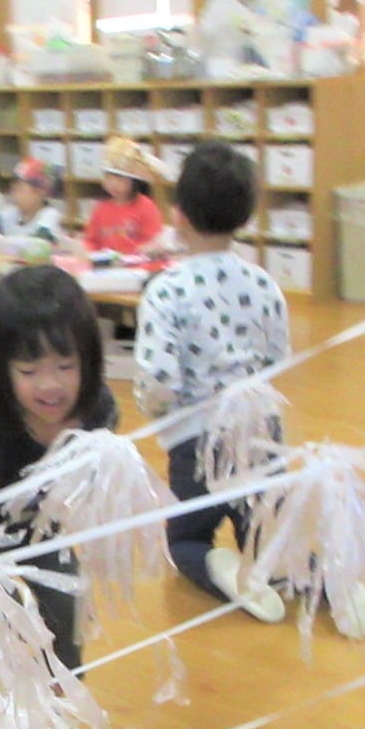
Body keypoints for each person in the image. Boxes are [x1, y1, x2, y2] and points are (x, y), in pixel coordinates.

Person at [134, 142, 312, 628]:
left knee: (186, 539)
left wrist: (158, 414)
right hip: (260, 432)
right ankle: (316, 574)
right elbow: (276, 358)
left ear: (179, 214)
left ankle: (220, 567)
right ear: (246, 215)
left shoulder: (166, 289)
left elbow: (158, 380)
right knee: (268, 530)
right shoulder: (264, 284)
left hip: (196, 441)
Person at [0, 267, 117, 672]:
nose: (50, 385)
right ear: (1, 372)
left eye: (65, 365)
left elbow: (97, 466)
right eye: (29, 371)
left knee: (65, 602)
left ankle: (64, 686)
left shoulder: (98, 410)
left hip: (36, 514)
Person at [83, 136, 169, 257]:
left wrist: (143, 250)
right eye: (108, 178)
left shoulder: (146, 206)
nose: (113, 184)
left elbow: (154, 241)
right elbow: (91, 240)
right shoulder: (100, 208)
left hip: (138, 263)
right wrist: (87, 252)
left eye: (120, 179)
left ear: (134, 181)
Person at [0, 159, 65, 257]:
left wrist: (0, 243)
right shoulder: (10, 212)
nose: (14, 191)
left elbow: (38, 244)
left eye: (20, 188)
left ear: (40, 192)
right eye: (13, 186)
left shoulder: (50, 216)